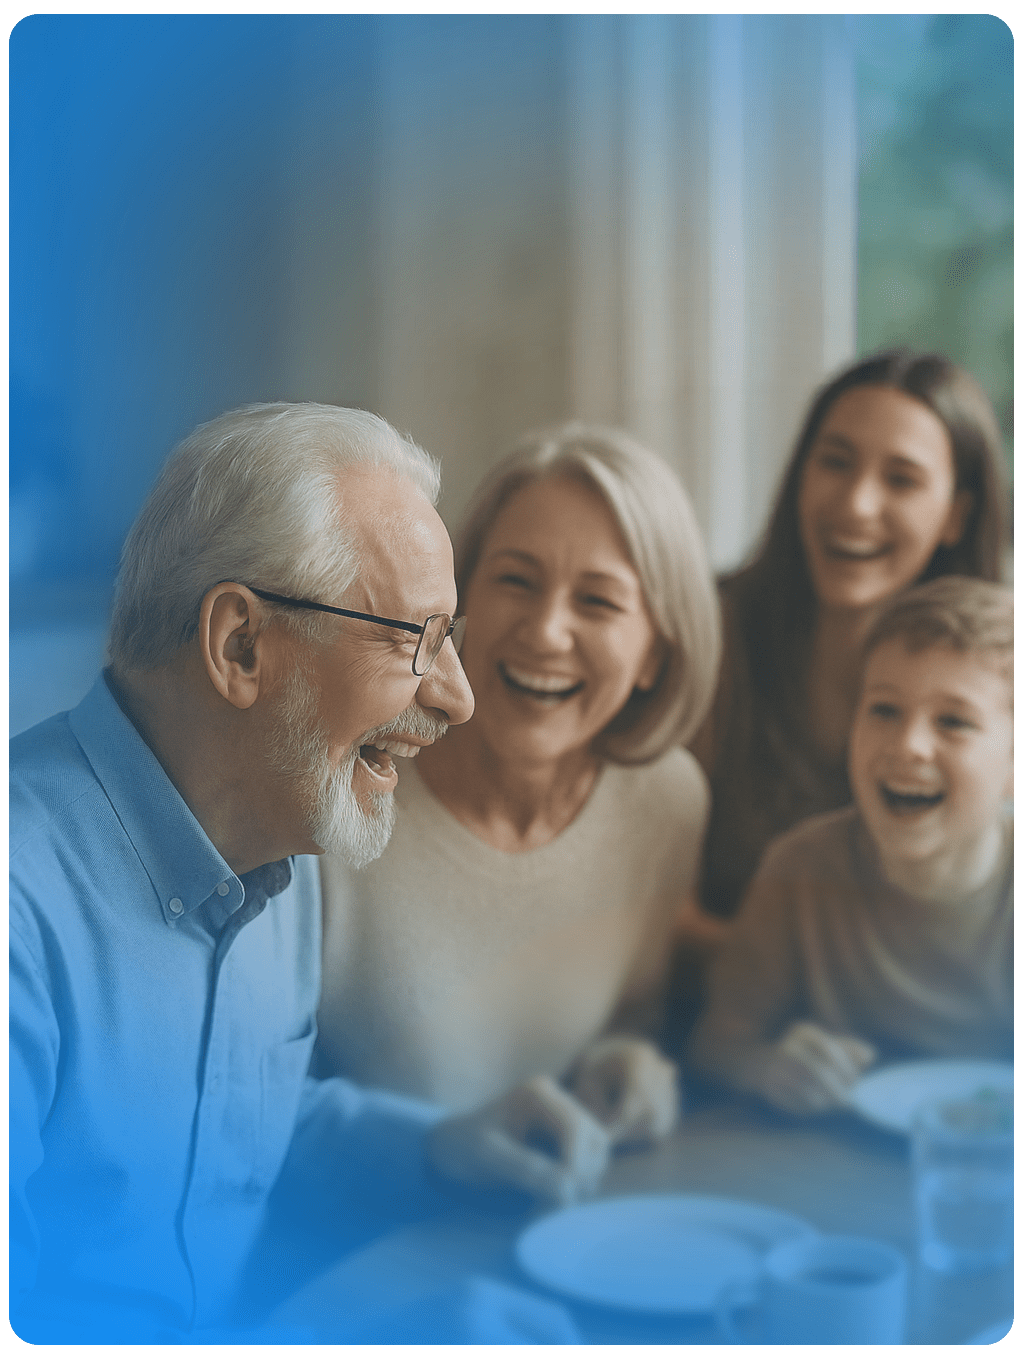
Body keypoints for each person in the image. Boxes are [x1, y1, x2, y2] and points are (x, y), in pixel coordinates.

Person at [8, 403, 596, 1344]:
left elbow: (229, 1125)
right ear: (240, 645)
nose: (459, 694)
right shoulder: (18, 908)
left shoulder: (282, 831)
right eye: (418, 637)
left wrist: (437, 1149)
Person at [316, 421, 721, 1163]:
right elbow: (242, 1110)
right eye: (515, 581)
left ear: (657, 654)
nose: (545, 630)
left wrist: (625, 1067)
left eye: (598, 602)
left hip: (550, 1230)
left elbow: (628, 1016)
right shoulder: (339, 791)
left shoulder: (667, 800)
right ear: (456, 606)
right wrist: (430, 1152)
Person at [694, 348, 1011, 922]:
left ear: (956, 516)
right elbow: (652, 910)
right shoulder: (713, 637)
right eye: (836, 462)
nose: (857, 503)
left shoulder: (1000, 682)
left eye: (902, 479)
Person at [689, 577, 1013, 1114]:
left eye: (953, 721)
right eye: (884, 710)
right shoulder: (798, 868)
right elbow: (716, 1044)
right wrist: (766, 1067)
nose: (908, 744)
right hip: (829, 1167)